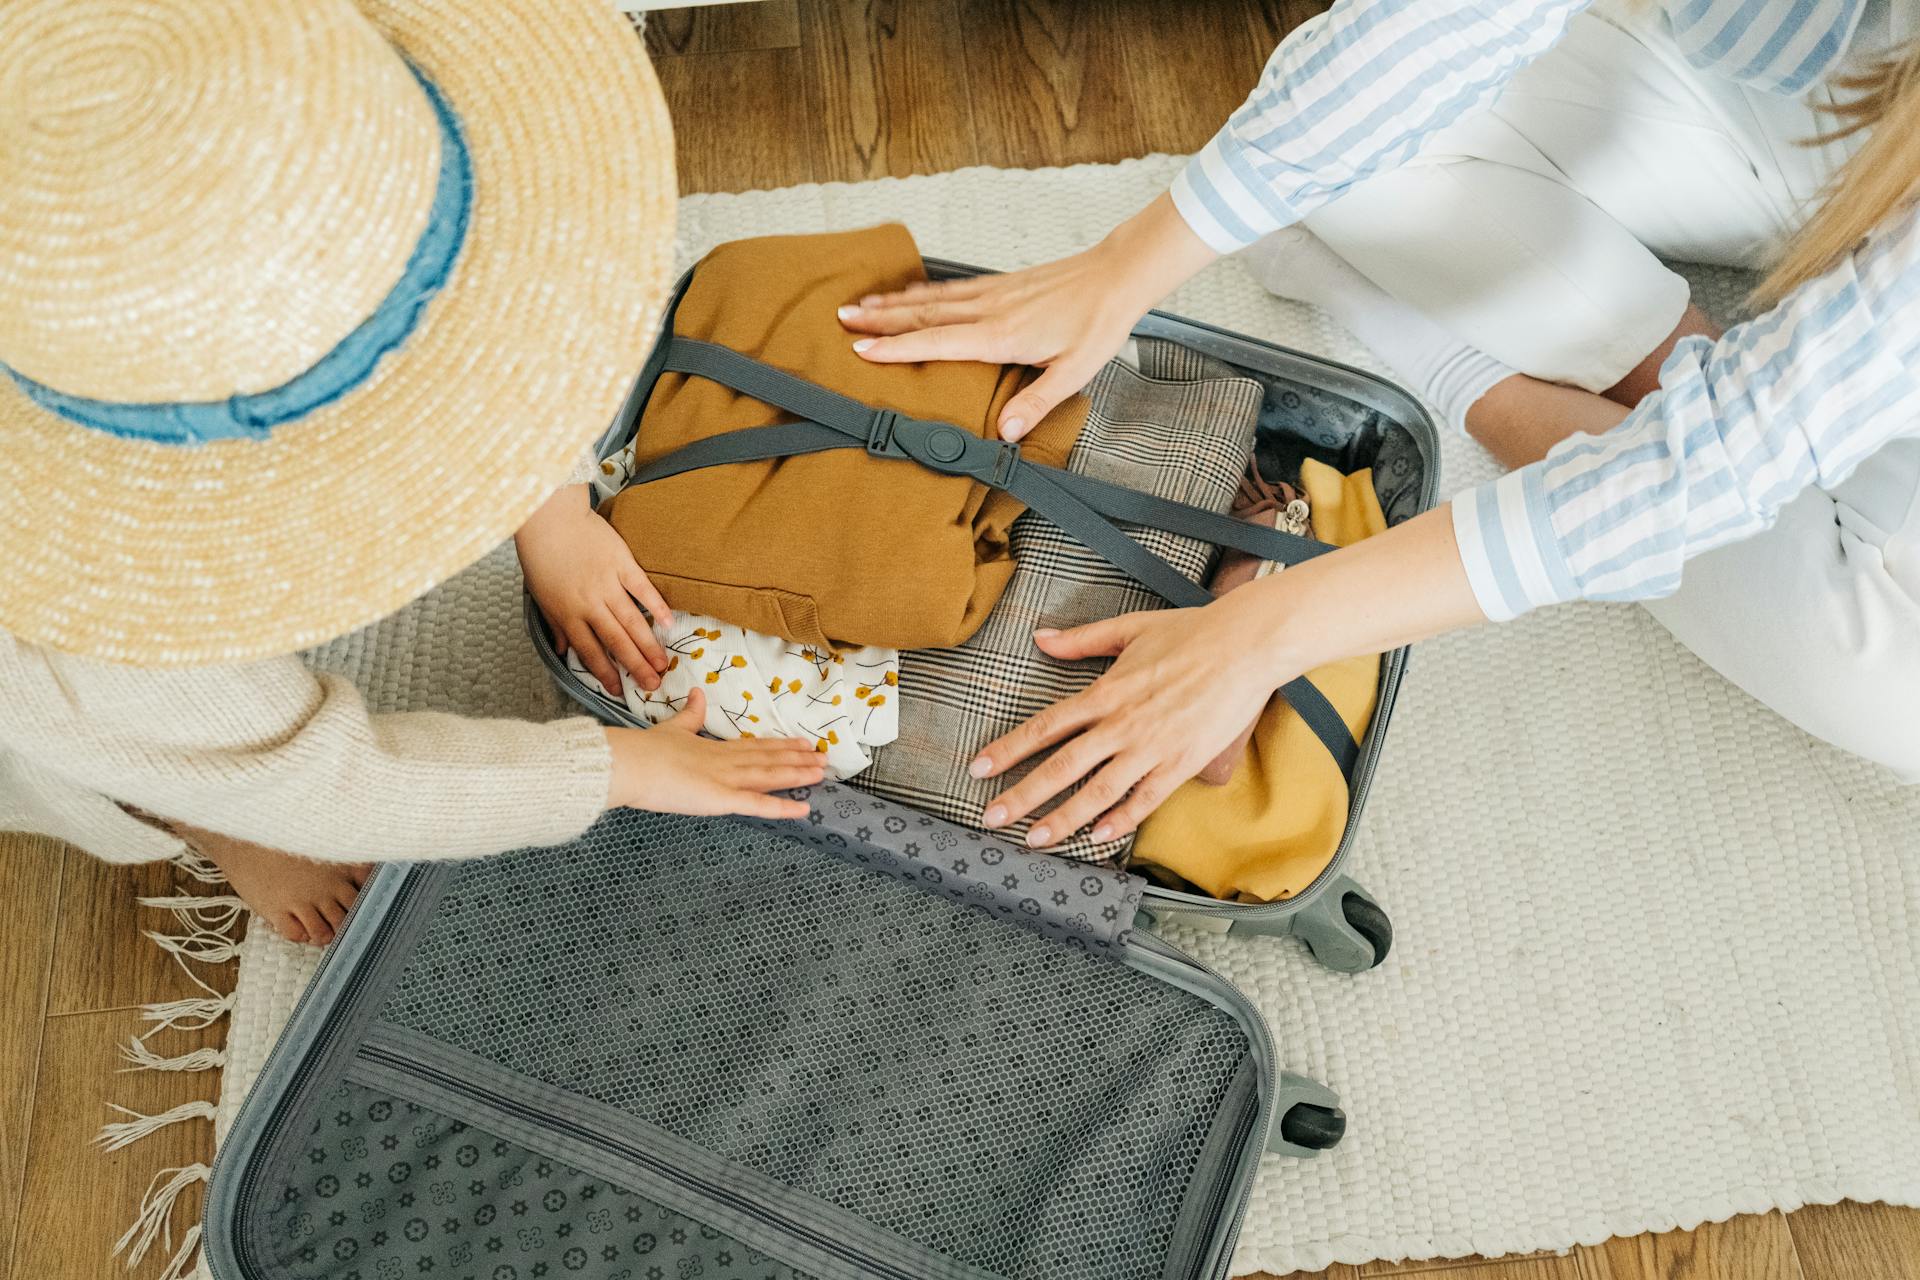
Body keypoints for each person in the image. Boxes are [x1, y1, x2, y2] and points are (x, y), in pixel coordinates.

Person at [839, 0, 1920, 850]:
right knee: (1353, 154)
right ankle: (1697, 384)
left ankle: (1441, 350)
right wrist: (1129, 260)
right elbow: (1446, 20)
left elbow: (1715, 459)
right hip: (1821, 100)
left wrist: (1269, 628)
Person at [0, 0, 823, 946]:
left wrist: (547, 502)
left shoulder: (170, 76)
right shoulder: (103, 624)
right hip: (62, 691)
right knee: (175, 761)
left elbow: (500, 322)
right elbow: (327, 783)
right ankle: (198, 816)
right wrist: (624, 769)